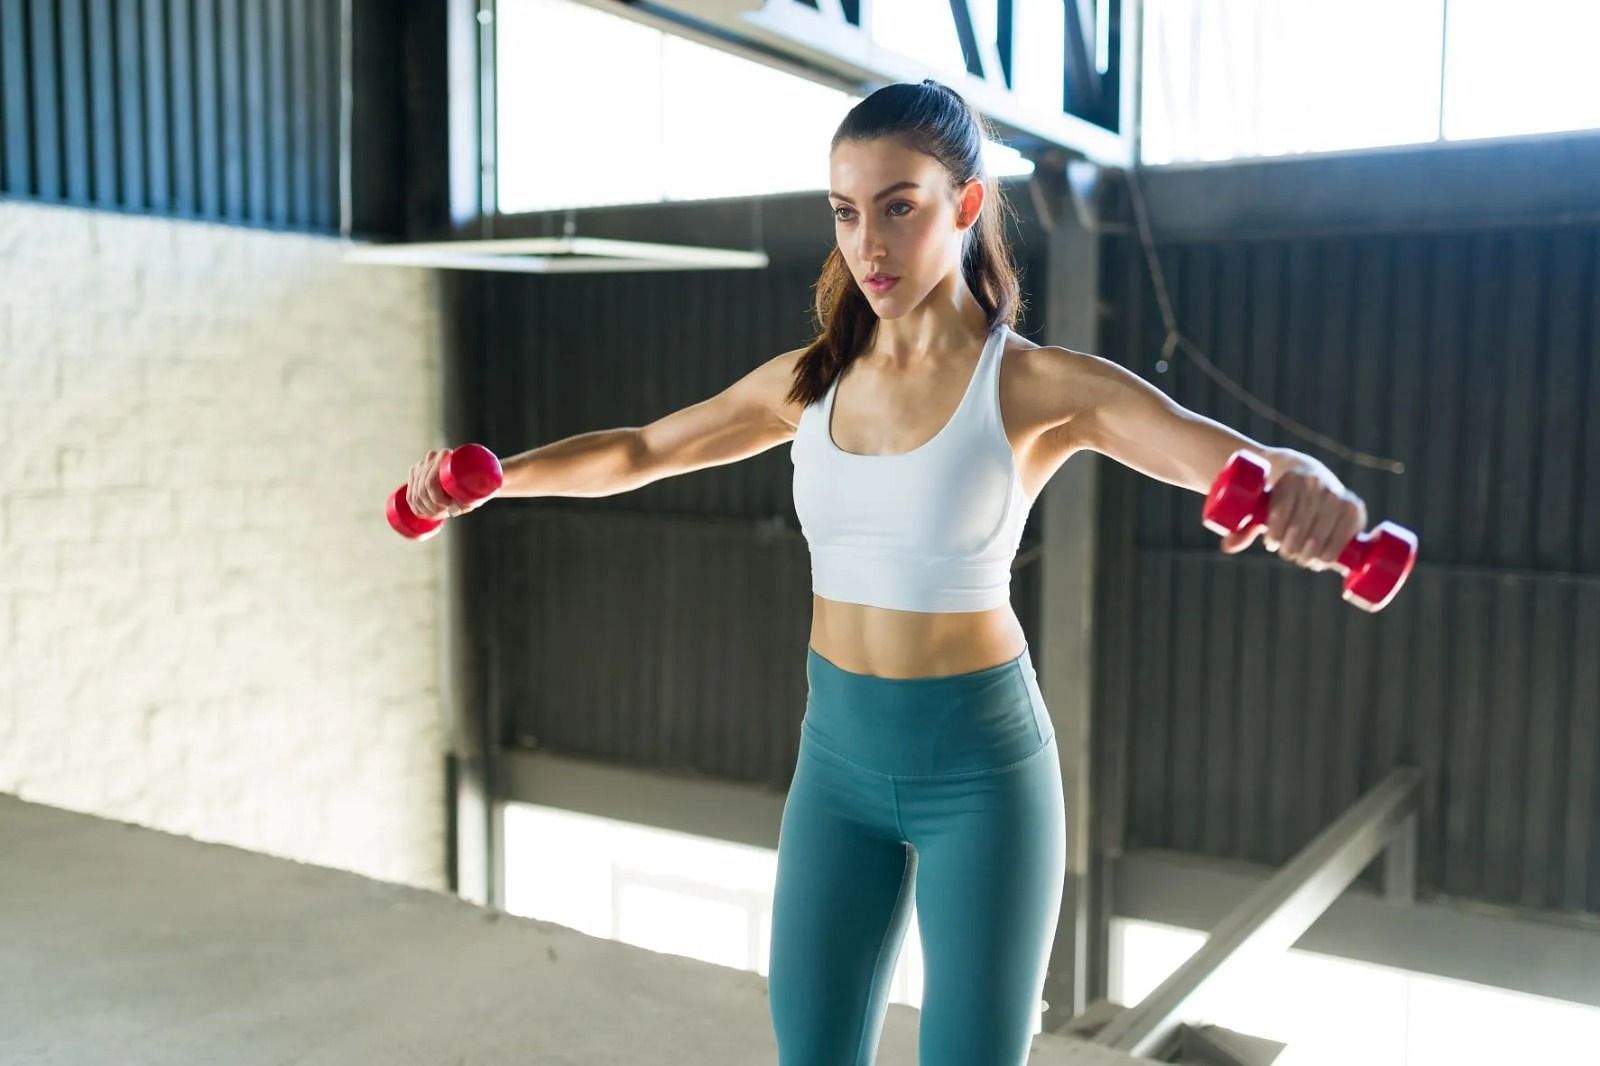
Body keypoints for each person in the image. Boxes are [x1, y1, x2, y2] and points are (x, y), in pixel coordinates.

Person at [405, 79, 1366, 1066]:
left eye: (897, 205)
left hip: (981, 773)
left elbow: (1216, 453)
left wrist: (1313, 484)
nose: (868, 244)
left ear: (964, 203)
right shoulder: (810, 380)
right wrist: (493, 482)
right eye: (846, 212)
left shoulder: (1034, 386)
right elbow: (645, 449)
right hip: (837, 761)